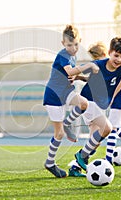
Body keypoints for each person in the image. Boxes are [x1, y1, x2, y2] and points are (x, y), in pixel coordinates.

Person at [64, 37, 121, 176]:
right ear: (109, 52)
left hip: (99, 106)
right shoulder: (99, 64)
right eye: (116, 55)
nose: (119, 59)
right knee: (107, 128)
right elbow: (82, 69)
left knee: (95, 141)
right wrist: (74, 75)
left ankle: (76, 167)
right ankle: (81, 155)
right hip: (89, 102)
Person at [43, 25, 101, 178]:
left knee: (84, 103)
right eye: (69, 45)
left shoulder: (72, 56)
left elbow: (71, 75)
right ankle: (50, 163)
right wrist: (88, 65)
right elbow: (69, 71)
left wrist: (83, 78)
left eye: (76, 44)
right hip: (53, 96)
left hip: (66, 92)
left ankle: (68, 122)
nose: (73, 48)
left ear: (79, 42)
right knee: (59, 134)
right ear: (63, 44)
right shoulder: (63, 55)